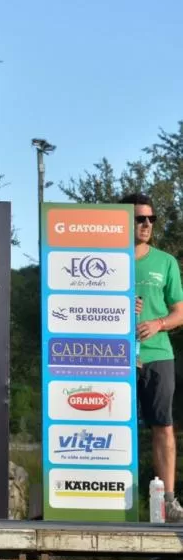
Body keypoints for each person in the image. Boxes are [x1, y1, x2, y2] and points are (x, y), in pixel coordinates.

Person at [121, 192, 183, 522]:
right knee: (120, 426)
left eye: (151, 219)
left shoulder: (165, 262)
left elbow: (180, 313)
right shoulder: (107, 259)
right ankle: (117, 499)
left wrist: (158, 323)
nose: (147, 224)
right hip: (115, 356)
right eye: (139, 218)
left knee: (163, 426)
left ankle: (169, 502)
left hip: (158, 355)